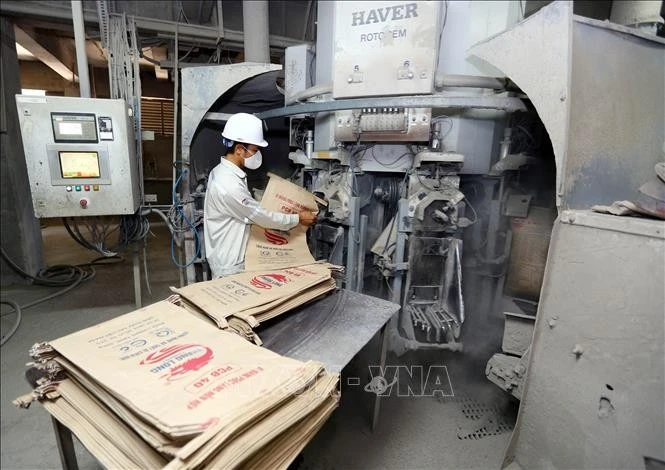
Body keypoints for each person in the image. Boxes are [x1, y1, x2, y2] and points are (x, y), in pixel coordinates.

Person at [204, 113, 317, 278]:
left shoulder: (221, 171)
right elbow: (261, 217)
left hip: (226, 255)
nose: (257, 155)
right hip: (230, 266)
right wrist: (298, 218)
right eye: (255, 150)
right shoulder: (229, 185)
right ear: (239, 150)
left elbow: (244, 209)